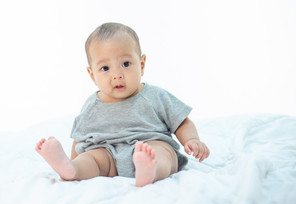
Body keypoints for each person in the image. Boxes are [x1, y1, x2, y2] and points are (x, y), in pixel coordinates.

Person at [35, 22, 210, 187]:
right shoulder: (91, 105)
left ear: (141, 64)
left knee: (163, 153)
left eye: (126, 64)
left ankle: (150, 170)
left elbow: (182, 122)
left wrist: (192, 140)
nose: (117, 75)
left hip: (150, 143)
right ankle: (71, 170)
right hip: (108, 154)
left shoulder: (156, 95)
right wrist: (75, 160)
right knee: (93, 159)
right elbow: (80, 138)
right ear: (92, 74)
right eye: (105, 68)